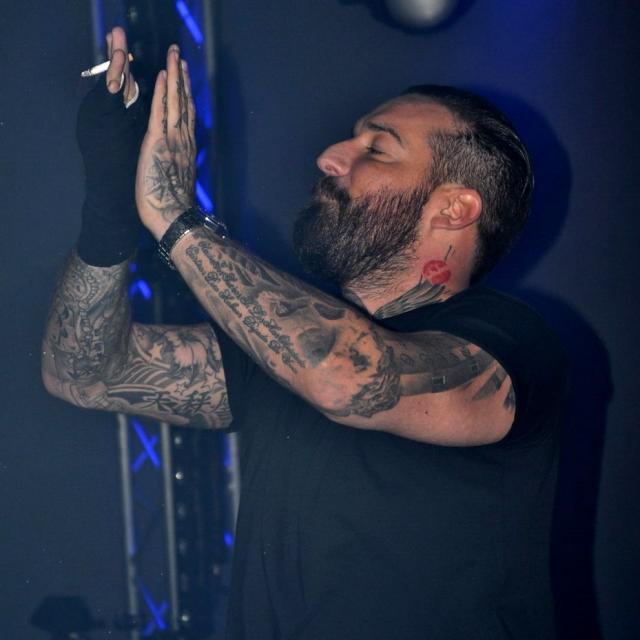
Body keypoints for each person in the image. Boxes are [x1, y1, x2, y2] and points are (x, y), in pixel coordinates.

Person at [42, 27, 566, 640]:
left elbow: (344, 376)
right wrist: (109, 215)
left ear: (454, 209)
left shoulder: (508, 339)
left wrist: (173, 215)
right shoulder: (276, 350)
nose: (331, 157)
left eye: (378, 148)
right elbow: (83, 374)